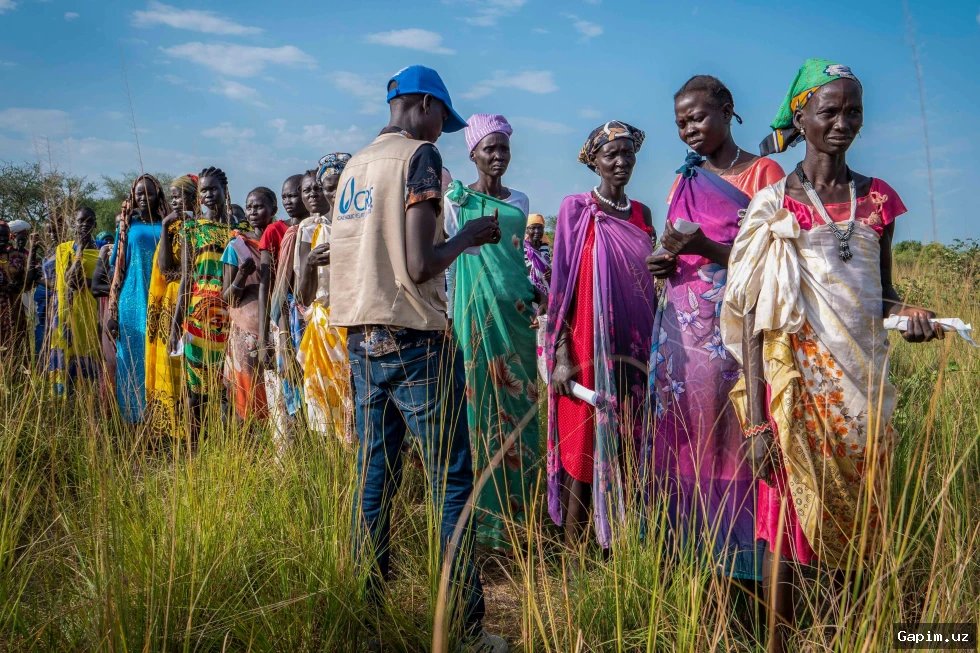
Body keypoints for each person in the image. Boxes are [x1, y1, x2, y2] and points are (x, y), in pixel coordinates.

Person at [720, 59, 943, 653]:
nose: (843, 122)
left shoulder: (879, 199)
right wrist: (758, 420)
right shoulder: (773, 204)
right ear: (801, 118)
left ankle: (846, 635)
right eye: (830, 111)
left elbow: (884, 294)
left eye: (854, 111)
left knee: (861, 522)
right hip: (794, 390)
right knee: (786, 527)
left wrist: (911, 316)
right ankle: (780, 641)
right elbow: (751, 315)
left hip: (861, 393)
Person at [329, 65, 505, 650]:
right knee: (450, 482)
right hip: (414, 341)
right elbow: (421, 263)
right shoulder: (419, 157)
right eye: (441, 120)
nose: (440, 133)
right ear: (425, 104)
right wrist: (469, 237)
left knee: (373, 480)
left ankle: (364, 618)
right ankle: (465, 629)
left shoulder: (353, 166)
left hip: (360, 340)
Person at [645, 76, 784, 588]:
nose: (688, 130)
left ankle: (743, 564)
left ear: (727, 110)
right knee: (687, 439)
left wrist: (706, 249)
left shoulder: (764, 173)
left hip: (737, 331)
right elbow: (672, 246)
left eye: (697, 117)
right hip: (680, 337)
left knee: (736, 434)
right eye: (680, 122)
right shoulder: (683, 178)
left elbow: (773, 259)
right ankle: (691, 559)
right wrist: (663, 261)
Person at [547, 121, 657, 549]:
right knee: (583, 443)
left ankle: (624, 546)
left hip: (634, 346)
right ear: (594, 161)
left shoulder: (642, 214)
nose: (621, 161)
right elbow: (560, 287)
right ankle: (575, 555)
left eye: (628, 153)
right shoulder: (576, 209)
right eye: (611, 154)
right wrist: (561, 354)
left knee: (629, 439)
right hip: (586, 346)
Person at [444, 113, 539, 553]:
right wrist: (448, 315)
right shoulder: (456, 202)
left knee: (521, 411)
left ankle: (523, 522)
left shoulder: (520, 201)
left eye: (504, 148)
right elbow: (447, 258)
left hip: (517, 317)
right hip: (474, 315)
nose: (498, 156)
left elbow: (516, 262)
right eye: (490, 148)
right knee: (479, 412)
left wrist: (536, 293)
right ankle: (484, 528)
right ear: (473, 154)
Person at [160, 167, 248, 440]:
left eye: (213, 189)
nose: (208, 194)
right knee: (196, 390)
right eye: (204, 190)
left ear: (224, 190)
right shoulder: (192, 229)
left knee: (229, 387)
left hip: (232, 315)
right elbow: (187, 278)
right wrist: (175, 325)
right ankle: (195, 448)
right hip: (197, 319)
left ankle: (230, 447)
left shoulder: (239, 230)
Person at [93, 175, 168, 423]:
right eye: (139, 193)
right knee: (131, 359)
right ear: (133, 197)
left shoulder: (167, 224)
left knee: (158, 358)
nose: (144, 198)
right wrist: (113, 311)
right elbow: (117, 270)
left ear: (158, 196)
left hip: (160, 299)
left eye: (149, 193)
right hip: (131, 299)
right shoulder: (127, 226)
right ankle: (132, 420)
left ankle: (157, 420)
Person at [298, 154, 354, 441]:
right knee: (324, 407)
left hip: (356, 325)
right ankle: (331, 465)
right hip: (324, 327)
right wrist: (310, 263)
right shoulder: (311, 229)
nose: (336, 194)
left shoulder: (361, 225)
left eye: (342, 186)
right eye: (330, 188)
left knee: (355, 406)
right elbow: (304, 296)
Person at [145, 174, 197, 439]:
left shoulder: (198, 228)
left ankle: (191, 431)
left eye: (181, 196)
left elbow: (189, 274)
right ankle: (173, 428)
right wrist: (165, 226)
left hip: (191, 301)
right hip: (170, 300)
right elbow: (165, 268)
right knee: (171, 360)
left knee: (189, 365)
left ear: (194, 198)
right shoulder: (174, 228)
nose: (175, 201)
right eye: (173, 196)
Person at [221, 187, 278, 422]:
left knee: (277, 397)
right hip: (246, 334)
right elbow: (227, 297)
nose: (253, 212)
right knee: (246, 398)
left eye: (259, 206)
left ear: (273, 209)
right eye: (249, 207)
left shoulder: (281, 240)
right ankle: (247, 442)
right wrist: (242, 275)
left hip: (277, 329)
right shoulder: (238, 247)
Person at [264, 173, 310, 449]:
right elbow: (280, 291)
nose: (289, 201)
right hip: (291, 322)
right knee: (294, 386)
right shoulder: (290, 234)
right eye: (285, 196)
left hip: (314, 320)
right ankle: (300, 453)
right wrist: (282, 336)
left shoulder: (314, 227)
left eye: (294, 195)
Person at [49, 207, 102, 396]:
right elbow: (70, 280)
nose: (85, 225)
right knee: (64, 354)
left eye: (89, 221)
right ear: (74, 223)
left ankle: (87, 398)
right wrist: (79, 249)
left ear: (95, 225)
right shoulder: (63, 249)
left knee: (87, 355)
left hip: (89, 314)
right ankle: (63, 400)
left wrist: (87, 282)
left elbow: (100, 283)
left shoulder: (100, 253)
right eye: (81, 221)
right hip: (65, 313)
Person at [0, 221, 29, 366]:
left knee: (16, 338)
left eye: (4, 235)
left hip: (14, 305)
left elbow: (26, 280)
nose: (2, 239)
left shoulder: (17, 255)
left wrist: (18, 285)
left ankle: (17, 372)